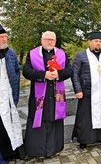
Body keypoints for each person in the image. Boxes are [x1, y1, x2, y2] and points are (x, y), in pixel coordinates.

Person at [23, 31, 72, 158]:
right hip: (38, 97)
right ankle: (38, 151)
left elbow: (69, 70)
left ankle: (53, 149)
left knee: (54, 120)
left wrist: (59, 74)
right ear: (42, 40)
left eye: (52, 40)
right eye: (47, 39)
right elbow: (26, 72)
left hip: (56, 96)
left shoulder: (61, 54)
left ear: (55, 41)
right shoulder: (33, 54)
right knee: (39, 119)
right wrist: (43, 75)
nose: (50, 41)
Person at [71, 31, 101, 149]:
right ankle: (84, 140)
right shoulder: (81, 56)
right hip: (87, 93)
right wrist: (78, 90)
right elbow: (75, 74)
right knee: (85, 118)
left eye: (100, 41)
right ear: (89, 42)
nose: (98, 43)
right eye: (96, 41)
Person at [0, 25, 25, 162]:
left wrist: (15, 95)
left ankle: (12, 153)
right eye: (2, 37)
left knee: (11, 126)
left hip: (9, 98)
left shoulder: (10, 53)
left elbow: (16, 72)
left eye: (6, 37)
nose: (5, 39)